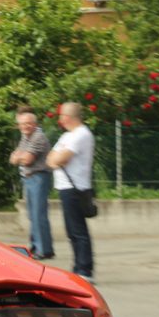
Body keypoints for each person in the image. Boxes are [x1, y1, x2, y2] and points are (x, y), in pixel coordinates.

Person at [47, 101, 95, 282]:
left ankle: (85, 269)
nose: (60, 119)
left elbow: (60, 158)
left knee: (78, 230)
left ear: (67, 117)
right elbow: (51, 158)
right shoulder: (68, 135)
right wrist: (56, 159)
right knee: (71, 230)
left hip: (75, 188)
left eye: (61, 115)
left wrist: (56, 159)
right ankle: (78, 266)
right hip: (66, 187)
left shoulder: (81, 134)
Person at [10, 108, 55, 259]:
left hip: (38, 178)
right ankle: (36, 247)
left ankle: (44, 250)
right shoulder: (25, 137)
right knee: (32, 215)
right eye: (22, 124)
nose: (25, 126)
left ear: (34, 124)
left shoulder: (38, 137)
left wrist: (19, 157)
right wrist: (19, 156)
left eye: (28, 123)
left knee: (38, 214)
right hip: (29, 178)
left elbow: (27, 159)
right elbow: (13, 157)